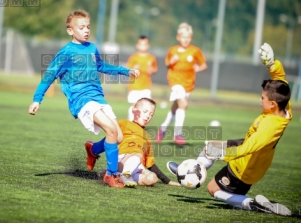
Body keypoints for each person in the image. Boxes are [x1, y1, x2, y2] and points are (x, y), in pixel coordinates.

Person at [166, 43, 292, 216]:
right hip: (248, 154)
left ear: (272, 104)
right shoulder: (284, 105)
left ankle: (253, 204)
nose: (260, 100)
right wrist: (271, 64)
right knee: (210, 147)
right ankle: (189, 169)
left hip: (245, 166)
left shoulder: (269, 128)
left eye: (262, 98)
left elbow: (247, 149)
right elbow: (281, 77)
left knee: (213, 189)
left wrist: (223, 155)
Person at [28, 9, 140, 188]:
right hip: (81, 100)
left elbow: (102, 66)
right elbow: (49, 75)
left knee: (118, 137)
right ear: (70, 31)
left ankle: (93, 149)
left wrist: (126, 71)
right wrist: (37, 99)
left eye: (88, 27)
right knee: (111, 130)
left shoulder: (92, 48)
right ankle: (112, 175)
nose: (86, 30)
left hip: (98, 97)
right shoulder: (66, 52)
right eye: (81, 27)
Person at [88, 98, 180, 187]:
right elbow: (109, 134)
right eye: (145, 112)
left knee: (152, 178)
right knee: (138, 155)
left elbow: (150, 164)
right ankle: (121, 174)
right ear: (134, 111)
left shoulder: (147, 136)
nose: (148, 116)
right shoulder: (124, 124)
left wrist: (168, 181)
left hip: (137, 166)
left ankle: (117, 176)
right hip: (121, 161)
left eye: (151, 114)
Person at [156, 22, 207, 145]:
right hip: (175, 81)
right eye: (183, 37)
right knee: (183, 103)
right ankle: (178, 133)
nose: (185, 40)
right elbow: (167, 64)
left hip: (188, 84)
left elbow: (204, 65)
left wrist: (197, 68)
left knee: (176, 107)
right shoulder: (172, 50)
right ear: (178, 37)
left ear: (191, 38)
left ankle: (162, 130)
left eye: (188, 37)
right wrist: (171, 62)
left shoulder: (195, 51)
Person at [126, 35, 158, 121]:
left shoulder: (151, 58)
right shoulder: (134, 57)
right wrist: (134, 68)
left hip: (146, 87)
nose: (143, 46)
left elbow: (154, 69)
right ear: (137, 45)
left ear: (148, 46)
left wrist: (151, 69)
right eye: (141, 44)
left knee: (146, 107)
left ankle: (140, 127)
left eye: (145, 44)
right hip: (134, 86)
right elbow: (128, 70)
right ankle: (131, 124)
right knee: (134, 105)